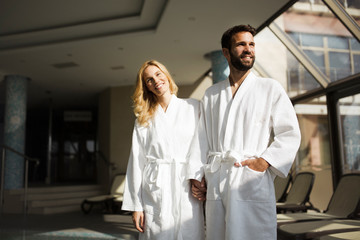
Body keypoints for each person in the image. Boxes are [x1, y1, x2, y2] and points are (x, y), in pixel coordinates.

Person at [188, 25, 301, 240]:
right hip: (217, 177)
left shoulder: (270, 88)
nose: (248, 49)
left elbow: (289, 133)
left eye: (251, 44)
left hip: (249, 177)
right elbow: (201, 139)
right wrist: (197, 175)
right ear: (226, 52)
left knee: (253, 234)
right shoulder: (211, 94)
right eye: (241, 44)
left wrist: (265, 161)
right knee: (217, 234)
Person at [121, 60, 205, 240]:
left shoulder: (194, 107)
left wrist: (200, 178)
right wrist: (137, 206)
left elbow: (203, 146)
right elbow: (137, 161)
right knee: (157, 233)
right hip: (155, 187)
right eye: (149, 79)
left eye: (158, 74)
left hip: (186, 184)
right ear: (146, 87)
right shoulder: (144, 118)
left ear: (166, 75)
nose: (156, 80)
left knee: (189, 233)